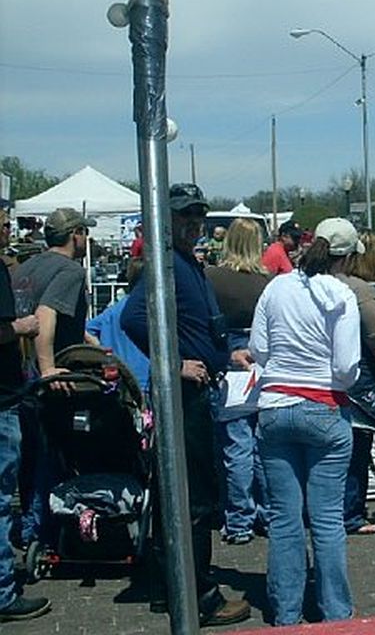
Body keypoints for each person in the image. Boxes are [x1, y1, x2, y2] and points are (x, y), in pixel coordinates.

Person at [121, 184, 251, 626]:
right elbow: (132, 318)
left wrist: (224, 354)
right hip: (185, 395)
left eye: (198, 218)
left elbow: (198, 325)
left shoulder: (184, 263)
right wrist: (174, 364)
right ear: (167, 220)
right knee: (192, 497)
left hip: (198, 387)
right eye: (185, 218)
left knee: (178, 493)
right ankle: (201, 596)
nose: (193, 226)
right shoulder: (167, 264)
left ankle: (170, 586)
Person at [249, 218, 362, 626]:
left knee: (284, 517)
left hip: (276, 407)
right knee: (327, 518)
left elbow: (258, 348)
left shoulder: (275, 287)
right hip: (324, 407)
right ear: (346, 256)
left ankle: (286, 611)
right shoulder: (342, 295)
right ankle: (335, 610)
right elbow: (347, 365)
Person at [13, 207, 95, 546]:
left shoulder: (25, 268)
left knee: (27, 456)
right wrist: (47, 368)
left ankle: (27, 529)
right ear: (75, 234)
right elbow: (46, 316)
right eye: (84, 233)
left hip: (17, 374)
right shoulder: (70, 270)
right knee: (52, 454)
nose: (86, 239)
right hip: (49, 375)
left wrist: (89, 340)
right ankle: (41, 533)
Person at [205, 219, 271, 545]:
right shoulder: (267, 282)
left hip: (228, 356)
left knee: (236, 443)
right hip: (262, 358)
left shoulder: (211, 278)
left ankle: (239, 518)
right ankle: (268, 512)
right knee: (261, 443)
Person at [0, 209, 48, 623]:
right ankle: (2, 593)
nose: (7, 230)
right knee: (1, 500)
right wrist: (21, 327)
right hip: (2, 400)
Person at [336, 234, 375, 537]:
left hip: (323, 381)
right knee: (356, 452)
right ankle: (351, 513)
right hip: (358, 385)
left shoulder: (310, 284)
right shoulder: (361, 292)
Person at [85, 258, 150, 391]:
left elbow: (85, 329)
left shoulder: (113, 310)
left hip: (120, 379)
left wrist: (102, 348)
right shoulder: (148, 310)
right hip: (146, 378)